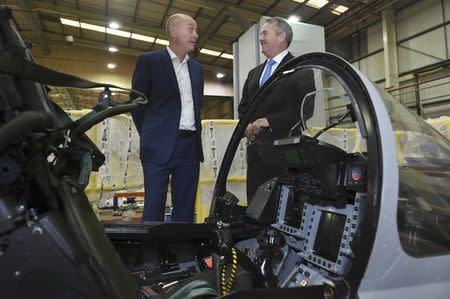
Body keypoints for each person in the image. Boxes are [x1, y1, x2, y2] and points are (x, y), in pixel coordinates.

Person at [131, 13, 204, 222]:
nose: (196, 35)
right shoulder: (149, 61)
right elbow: (137, 104)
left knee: (185, 210)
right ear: (173, 31)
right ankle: (151, 254)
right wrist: (151, 134)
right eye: (191, 29)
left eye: (196, 30)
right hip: (157, 147)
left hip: (190, 148)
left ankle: (182, 254)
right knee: (153, 209)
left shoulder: (198, 69)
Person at [238, 17, 315, 203]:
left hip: (284, 153)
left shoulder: (300, 67)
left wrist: (269, 121)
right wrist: (247, 125)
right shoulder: (254, 73)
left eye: (265, 33)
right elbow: (243, 107)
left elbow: (305, 108)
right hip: (255, 153)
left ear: (281, 37)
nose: (260, 38)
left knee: (283, 207)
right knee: (255, 207)